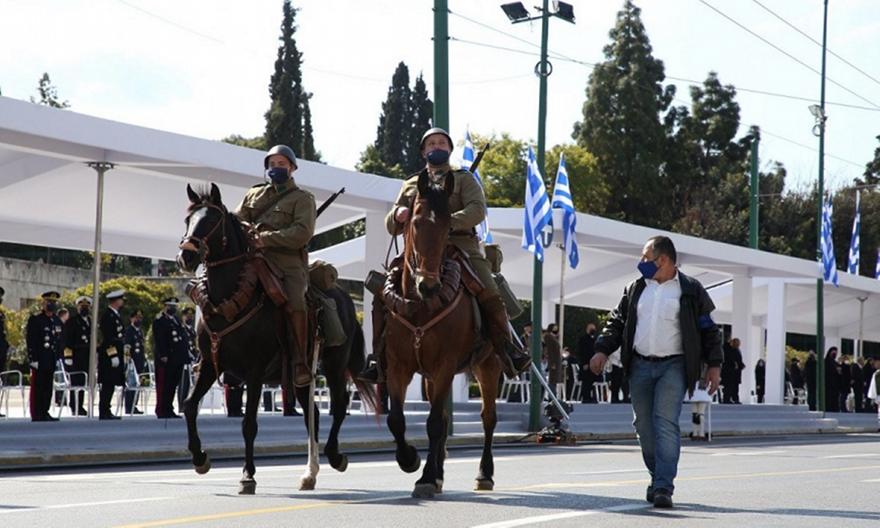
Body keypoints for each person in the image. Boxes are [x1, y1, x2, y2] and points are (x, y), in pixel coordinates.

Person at [358, 128, 531, 384]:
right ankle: (379, 357)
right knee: (382, 291)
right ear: (423, 151)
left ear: (449, 150)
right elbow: (392, 224)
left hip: (460, 246)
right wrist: (397, 216)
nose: (436, 146)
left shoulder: (464, 179)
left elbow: (477, 211)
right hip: (420, 252)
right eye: (431, 144)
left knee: (488, 288)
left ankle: (507, 349)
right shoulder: (411, 184)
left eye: (441, 143)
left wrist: (446, 222)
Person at [590, 236, 722, 509]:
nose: (641, 263)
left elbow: (709, 330)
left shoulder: (691, 290)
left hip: (674, 365)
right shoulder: (635, 288)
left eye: (645, 257)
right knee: (643, 426)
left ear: (662, 259)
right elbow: (616, 322)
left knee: (665, 422)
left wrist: (715, 365)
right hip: (639, 364)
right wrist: (602, 349)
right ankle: (657, 475)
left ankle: (663, 486)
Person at [234, 144, 315, 387]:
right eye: (272, 164)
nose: (276, 168)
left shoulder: (302, 198)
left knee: (295, 300)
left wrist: (265, 239)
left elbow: (302, 233)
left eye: (281, 164)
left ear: (292, 167)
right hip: (253, 259)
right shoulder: (254, 194)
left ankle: (300, 359)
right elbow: (237, 220)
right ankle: (217, 354)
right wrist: (245, 232)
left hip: (286, 262)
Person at [26, 291, 64, 421]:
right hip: (40, 358)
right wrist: (33, 359)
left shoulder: (56, 320)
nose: (51, 305)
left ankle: (45, 411)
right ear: (43, 303)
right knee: (39, 387)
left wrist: (59, 357)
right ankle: (37, 413)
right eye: (49, 302)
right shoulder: (36, 320)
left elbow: (59, 340)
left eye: (53, 302)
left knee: (48, 387)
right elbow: (31, 340)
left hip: (51, 359)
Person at [153, 297, 189, 418]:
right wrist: (162, 354)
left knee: (173, 385)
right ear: (165, 306)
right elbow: (159, 339)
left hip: (177, 358)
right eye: (170, 306)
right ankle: (162, 409)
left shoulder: (176, 320)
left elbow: (182, 337)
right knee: (164, 385)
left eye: (175, 306)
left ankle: (169, 408)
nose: (173, 308)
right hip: (166, 358)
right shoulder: (160, 320)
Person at [98, 290, 126, 420]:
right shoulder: (108, 316)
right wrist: (113, 355)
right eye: (121, 299)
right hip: (109, 355)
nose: (122, 301)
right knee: (108, 384)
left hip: (117, 352)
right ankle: (104, 410)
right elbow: (108, 338)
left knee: (112, 383)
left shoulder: (116, 315)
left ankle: (107, 409)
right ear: (115, 301)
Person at [62, 296, 92, 416]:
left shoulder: (90, 321)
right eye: (82, 306)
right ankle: (74, 405)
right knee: (76, 382)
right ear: (77, 307)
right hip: (75, 357)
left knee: (84, 382)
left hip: (86, 356)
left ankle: (80, 405)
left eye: (86, 307)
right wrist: (68, 357)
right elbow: (66, 341)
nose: (84, 309)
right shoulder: (72, 322)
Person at [123, 310, 147, 415]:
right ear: (131, 319)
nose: (138, 320)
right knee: (131, 384)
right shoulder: (129, 331)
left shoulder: (140, 331)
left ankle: (134, 405)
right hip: (131, 362)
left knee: (137, 384)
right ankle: (129, 407)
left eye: (140, 318)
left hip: (139, 361)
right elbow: (127, 347)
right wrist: (128, 361)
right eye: (136, 318)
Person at [178, 307, 198, 410]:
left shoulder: (193, 331)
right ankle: (181, 405)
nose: (189, 318)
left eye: (191, 316)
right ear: (183, 316)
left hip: (192, 360)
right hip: (185, 359)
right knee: (184, 383)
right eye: (187, 316)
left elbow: (195, 345)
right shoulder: (181, 329)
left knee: (191, 384)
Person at [576, 323, 598, 403]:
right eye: (591, 329)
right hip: (586, 363)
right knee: (586, 381)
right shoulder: (583, 339)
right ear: (587, 330)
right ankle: (585, 397)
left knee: (592, 380)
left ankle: (592, 397)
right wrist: (584, 363)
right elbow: (581, 352)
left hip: (594, 364)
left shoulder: (596, 339)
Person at [721, 338, 745, 404]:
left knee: (735, 387)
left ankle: (735, 399)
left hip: (735, 372)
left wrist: (741, 365)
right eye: (736, 344)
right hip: (728, 372)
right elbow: (727, 359)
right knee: (728, 386)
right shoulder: (726, 349)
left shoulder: (736, 350)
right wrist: (734, 364)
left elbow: (739, 360)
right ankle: (726, 399)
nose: (737, 346)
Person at [543, 324, 562, 398]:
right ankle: (552, 396)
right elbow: (550, 350)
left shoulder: (553, 337)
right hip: (553, 361)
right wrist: (552, 363)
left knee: (554, 380)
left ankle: (553, 395)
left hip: (556, 360)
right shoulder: (548, 337)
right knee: (552, 379)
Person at [824, 347, 840, 412]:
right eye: (833, 353)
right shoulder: (826, 361)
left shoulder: (835, 362)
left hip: (835, 385)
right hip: (828, 384)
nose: (835, 354)